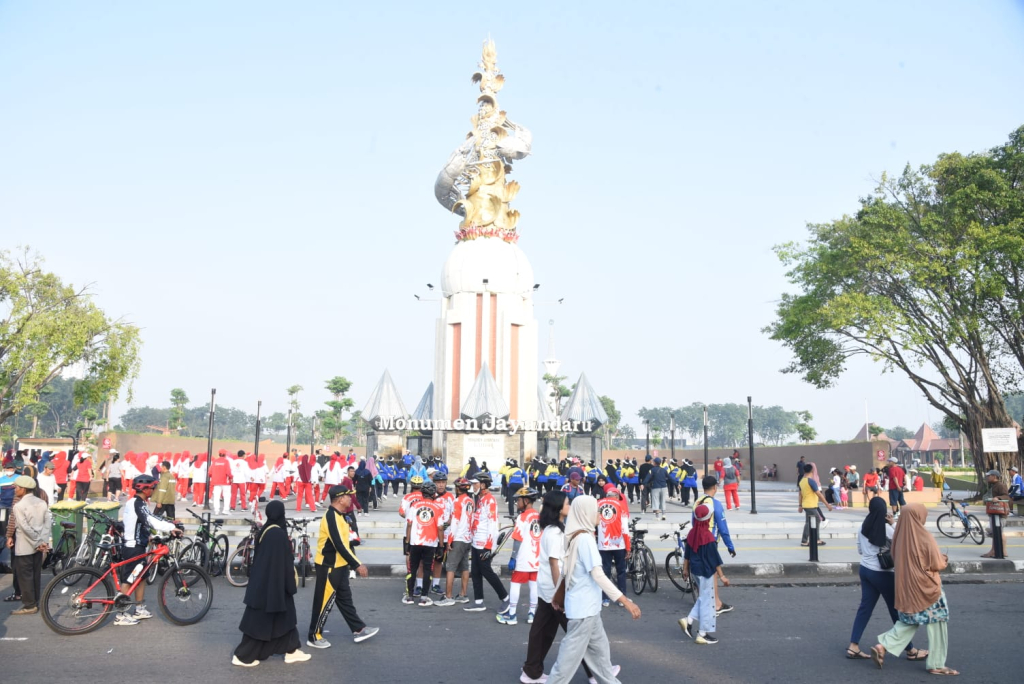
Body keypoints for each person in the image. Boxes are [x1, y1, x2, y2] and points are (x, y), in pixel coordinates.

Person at [545, 496, 640, 684]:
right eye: (595, 510)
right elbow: (598, 574)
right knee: (567, 662)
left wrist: (557, 594)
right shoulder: (585, 539)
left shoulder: (574, 535)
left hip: (589, 609)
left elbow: (567, 571)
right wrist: (625, 601)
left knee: (601, 657)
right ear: (585, 514)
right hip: (583, 611)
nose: (599, 514)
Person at [869, 504, 958, 676]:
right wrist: (944, 559)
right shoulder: (924, 536)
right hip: (927, 587)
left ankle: (883, 646)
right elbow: (937, 564)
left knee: (911, 619)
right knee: (938, 622)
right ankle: (937, 664)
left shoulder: (899, 538)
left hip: (906, 587)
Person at [520, 491, 598, 684]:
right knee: (577, 633)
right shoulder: (554, 533)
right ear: (558, 508)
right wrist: (559, 595)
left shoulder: (555, 529)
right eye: (567, 503)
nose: (569, 506)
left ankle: (531, 671)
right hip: (553, 591)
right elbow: (556, 565)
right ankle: (595, 671)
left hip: (548, 590)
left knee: (542, 632)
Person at [845, 497, 926, 661]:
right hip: (883, 573)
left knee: (865, 608)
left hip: (865, 570)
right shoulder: (886, 528)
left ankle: (853, 646)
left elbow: (860, 550)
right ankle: (910, 650)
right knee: (896, 611)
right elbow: (905, 541)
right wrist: (893, 523)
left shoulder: (863, 526)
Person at [233, 500, 309, 666]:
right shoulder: (277, 534)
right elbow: (283, 563)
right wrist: (290, 583)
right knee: (259, 623)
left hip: (267, 585)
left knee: (286, 618)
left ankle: (292, 650)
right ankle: (242, 656)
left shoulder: (267, 530)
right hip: (272, 587)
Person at [306, 486, 377, 649]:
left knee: (345, 600)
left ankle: (358, 629)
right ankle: (314, 636)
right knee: (323, 602)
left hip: (340, 565)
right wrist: (357, 564)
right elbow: (339, 544)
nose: (351, 498)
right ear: (339, 499)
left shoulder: (340, 516)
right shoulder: (331, 516)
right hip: (329, 565)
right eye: (348, 496)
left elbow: (343, 541)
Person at [116, 474, 182, 625]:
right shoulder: (137, 503)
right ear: (144, 489)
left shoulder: (138, 503)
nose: (153, 490)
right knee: (130, 579)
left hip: (138, 544)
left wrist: (151, 536)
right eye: (152, 487)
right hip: (133, 547)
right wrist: (171, 527)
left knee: (141, 577)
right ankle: (120, 614)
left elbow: (141, 522)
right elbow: (150, 520)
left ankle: (139, 608)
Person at [678, 503, 730, 644]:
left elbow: (687, 554)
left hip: (695, 570)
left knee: (703, 598)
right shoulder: (708, 537)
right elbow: (715, 560)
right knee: (707, 602)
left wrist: (685, 569)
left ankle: (688, 620)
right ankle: (702, 634)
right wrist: (722, 576)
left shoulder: (692, 533)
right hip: (706, 572)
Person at [465, 471, 509, 612]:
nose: (473, 486)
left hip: (484, 543)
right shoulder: (480, 499)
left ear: (483, 484)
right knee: (476, 572)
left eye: (475, 483)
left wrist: (491, 547)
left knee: (487, 572)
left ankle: (506, 599)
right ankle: (479, 602)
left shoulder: (489, 500)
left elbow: (493, 524)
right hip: (476, 542)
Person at [498, 486, 541, 625]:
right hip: (536, 558)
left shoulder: (522, 517)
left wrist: (513, 558)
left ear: (526, 500)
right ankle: (532, 614)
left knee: (515, 583)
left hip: (523, 557)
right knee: (534, 585)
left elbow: (518, 539)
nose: (517, 503)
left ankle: (512, 615)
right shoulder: (539, 516)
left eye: (519, 500)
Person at [8, 475, 50, 615]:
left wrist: (37, 542)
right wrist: (42, 541)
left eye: (17, 487)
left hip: (25, 546)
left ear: (23, 489)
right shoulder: (41, 502)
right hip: (39, 546)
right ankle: (35, 602)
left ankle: (29, 605)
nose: (15, 490)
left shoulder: (19, 506)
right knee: (35, 574)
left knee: (24, 576)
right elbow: (47, 523)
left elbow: (24, 527)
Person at [694, 475, 736, 616]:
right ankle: (715, 605)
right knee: (713, 573)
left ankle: (713, 602)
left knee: (704, 573)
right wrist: (730, 547)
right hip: (710, 542)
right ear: (715, 487)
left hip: (696, 541)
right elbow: (723, 528)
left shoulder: (697, 502)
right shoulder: (715, 504)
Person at [403, 481, 448, 607]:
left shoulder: (414, 506)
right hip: (430, 543)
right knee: (428, 569)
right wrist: (441, 545)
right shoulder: (437, 507)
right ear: (433, 493)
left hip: (415, 542)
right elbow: (440, 528)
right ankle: (424, 597)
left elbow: (409, 524)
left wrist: (407, 542)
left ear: (422, 493)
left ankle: (410, 596)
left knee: (413, 569)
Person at [436, 476, 474, 606]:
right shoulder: (470, 501)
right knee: (464, 567)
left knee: (450, 567)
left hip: (457, 538)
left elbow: (455, 522)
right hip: (467, 538)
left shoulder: (457, 502)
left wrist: (449, 541)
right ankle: (463, 595)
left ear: (458, 488)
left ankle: (448, 596)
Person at [597, 484, 630, 607]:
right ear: (616, 496)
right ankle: (622, 597)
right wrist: (628, 547)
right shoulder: (621, 506)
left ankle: (605, 598)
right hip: (618, 544)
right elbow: (625, 529)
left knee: (605, 571)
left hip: (603, 543)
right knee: (621, 570)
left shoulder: (598, 504)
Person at [799, 463, 833, 547]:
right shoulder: (811, 481)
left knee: (809, 522)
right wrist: (827, 505)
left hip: (806, 504)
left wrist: (800, 505)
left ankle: (815, 539)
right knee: (816, 520)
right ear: (812, 470)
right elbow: (819, 494)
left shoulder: (802, 481)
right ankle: (807, 540)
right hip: (811, 505)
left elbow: (800, 494)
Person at [981, 469, 1010, 559]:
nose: (987, 477)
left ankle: (993, 551)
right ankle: (1003, 551)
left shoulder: (1000, 485)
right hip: (995, 513)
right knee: (1000, 532)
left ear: (994, 476)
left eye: (989, 476)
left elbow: (1006, 496)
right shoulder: (993, 486)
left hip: (999, 513)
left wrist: (998, 497)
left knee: (996, 532)